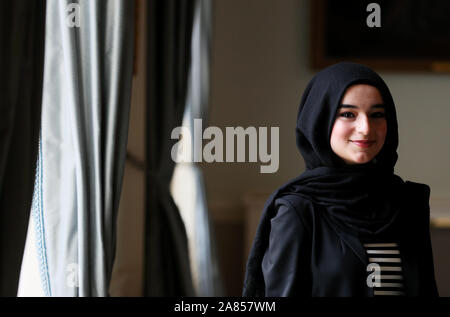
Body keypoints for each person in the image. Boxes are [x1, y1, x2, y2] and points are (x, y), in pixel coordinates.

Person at [242, 62, 439, 297]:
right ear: (320, 120)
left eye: (377, 114)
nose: (366, 128)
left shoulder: (408, 203)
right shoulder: (298, 210)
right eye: (348, 114)